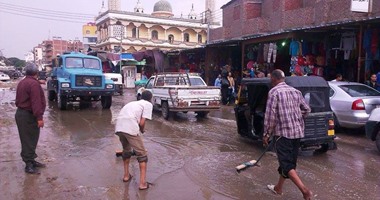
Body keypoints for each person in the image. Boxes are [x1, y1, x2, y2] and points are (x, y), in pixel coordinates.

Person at [263, 69, 313, 200]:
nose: (270, 81)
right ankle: (278, 188)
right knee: (288, 163)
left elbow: (270, 117)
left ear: (274, 79)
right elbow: (307, 110)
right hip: (297, 133)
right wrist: (296, 116)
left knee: (287, 164)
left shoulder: (274, 93)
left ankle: (305, 191)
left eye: (270, 79)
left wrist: (266, 134)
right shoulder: (296, 91)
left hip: (283, 134)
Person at [115, 90, 153, 190]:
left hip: (119, 127)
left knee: (126, 151)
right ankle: (142, 184)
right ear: (150, 98)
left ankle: (126, 176)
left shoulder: (133, 103)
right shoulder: (148, 104)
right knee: (142, 155)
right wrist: (143, 130)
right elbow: (142, 123)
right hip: (130, 127)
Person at [15, 62, 47, 174]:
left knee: (31, 138)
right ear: (36, 72)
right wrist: (39, 118)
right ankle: (28, 164)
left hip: (22, 114)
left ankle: (31, 160)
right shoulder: (33, 84)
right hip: (28, 115)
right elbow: (36, 102)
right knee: (28, 139)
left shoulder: (23, 82)